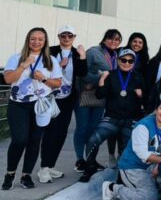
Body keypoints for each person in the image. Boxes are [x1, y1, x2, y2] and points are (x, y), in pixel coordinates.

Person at [2, 28, 63, 190]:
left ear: (45, 42)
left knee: (35, 140)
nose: (36, 42)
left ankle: (26, 175)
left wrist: (43, 78)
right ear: (28, 40)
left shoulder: (51, 60)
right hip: (18, 105)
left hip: (41, 105)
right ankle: (10, 173)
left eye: (40, 39)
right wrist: (23, 66)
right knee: (19, 139)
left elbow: (58, 83)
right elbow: (8, 79)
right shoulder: (16, 58)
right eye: (33, 39)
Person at [80, 49, 144, 182]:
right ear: (119, 61)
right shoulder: (111, 75)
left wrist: (141, 95)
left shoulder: (139, 77)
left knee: (126, 150)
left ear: (134, 62)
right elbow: (99, 95)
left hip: (131, 120)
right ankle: (90, 167)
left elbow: (148, 99)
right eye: (124, 60)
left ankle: (122, 175)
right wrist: (102, 79)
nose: (127, 63)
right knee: (92, 140)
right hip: (112, 119)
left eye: (130, 61)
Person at [101, 99, 161, 200]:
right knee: (149, 197)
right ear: (156, 110)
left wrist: (160, 164)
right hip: (132, 166)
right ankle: (112, 188)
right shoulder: (143, 125)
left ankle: (152, 185)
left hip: (153, 164)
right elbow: (143, 154)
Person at [39, 25, 87, 184]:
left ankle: (51, 165)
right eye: (63, 35)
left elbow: (82, 73)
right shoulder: (50, 51)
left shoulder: (76, 53)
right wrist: (59, 67)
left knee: (61, 133)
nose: (67, 38)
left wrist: (82, 56)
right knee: (50, 132)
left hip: (68, 98)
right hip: (51, 96)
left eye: (70, 36)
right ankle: (43, 167)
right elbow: (41, 71)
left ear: (74, 37)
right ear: (59, 37)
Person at [76, 29, 122, 172]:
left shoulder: (116, 55)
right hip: (86, 94)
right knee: (82, 128)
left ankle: (91, 160)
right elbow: (82, 72)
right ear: (104, 39)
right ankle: (79, 160)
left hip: (102, 96)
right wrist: (99, 78)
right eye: (111, 38)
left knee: (93, 129)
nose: (113, 42)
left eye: (117, 39)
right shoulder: (93, 52)